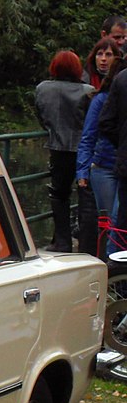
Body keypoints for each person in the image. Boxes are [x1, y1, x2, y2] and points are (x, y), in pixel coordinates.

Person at [35, 49, 93, 252]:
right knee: (85, 196)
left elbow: (41, 116)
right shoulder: (87, 90)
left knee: (59, 194)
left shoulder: (43, 89)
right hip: (83, 148)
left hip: (57, 147)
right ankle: (87, 242)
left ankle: (61, 240)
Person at [78, 56, 124, 256]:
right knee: (112, 223)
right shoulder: (101, 100)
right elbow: (89, 135)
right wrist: (82, 169)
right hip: (106, 165)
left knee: (116, 221)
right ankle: (110, 267)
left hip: (118, 163)